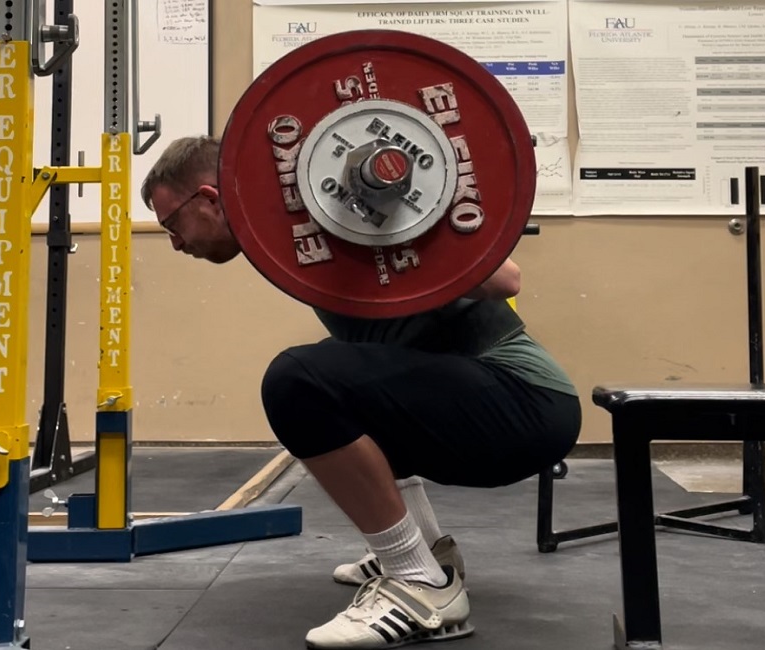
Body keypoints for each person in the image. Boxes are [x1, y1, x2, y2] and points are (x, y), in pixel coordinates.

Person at [141, 135, 582, 649]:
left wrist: (394, 207)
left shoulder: (340, 213)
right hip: (493, 406)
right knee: (344, 377)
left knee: (298, 380)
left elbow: (507, 279)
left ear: (211, 198)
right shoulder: (286, 236)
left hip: (523, 401)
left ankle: (419, 587)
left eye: (172, 225)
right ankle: (425, 553)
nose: (175, 243)